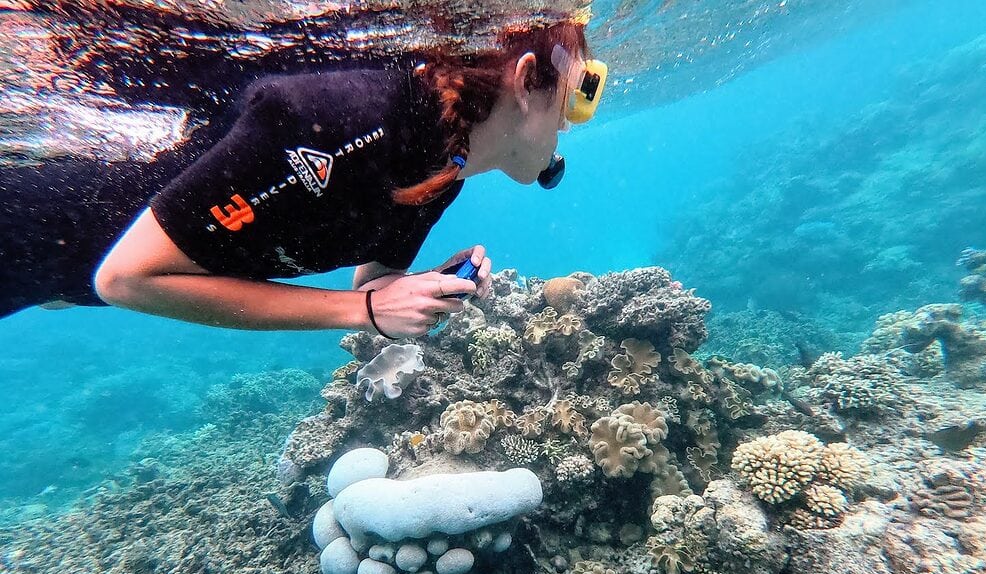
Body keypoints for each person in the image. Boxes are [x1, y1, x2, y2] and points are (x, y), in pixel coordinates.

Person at [2, 20, 606, 339]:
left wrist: (422, 291)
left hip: (51, 272)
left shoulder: (444, 166)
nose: (577, 121)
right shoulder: (356, 120)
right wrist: (362, 312)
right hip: (26, 226)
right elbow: (125, 279)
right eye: (581, 95)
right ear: (526, 80)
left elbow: (374, 278)